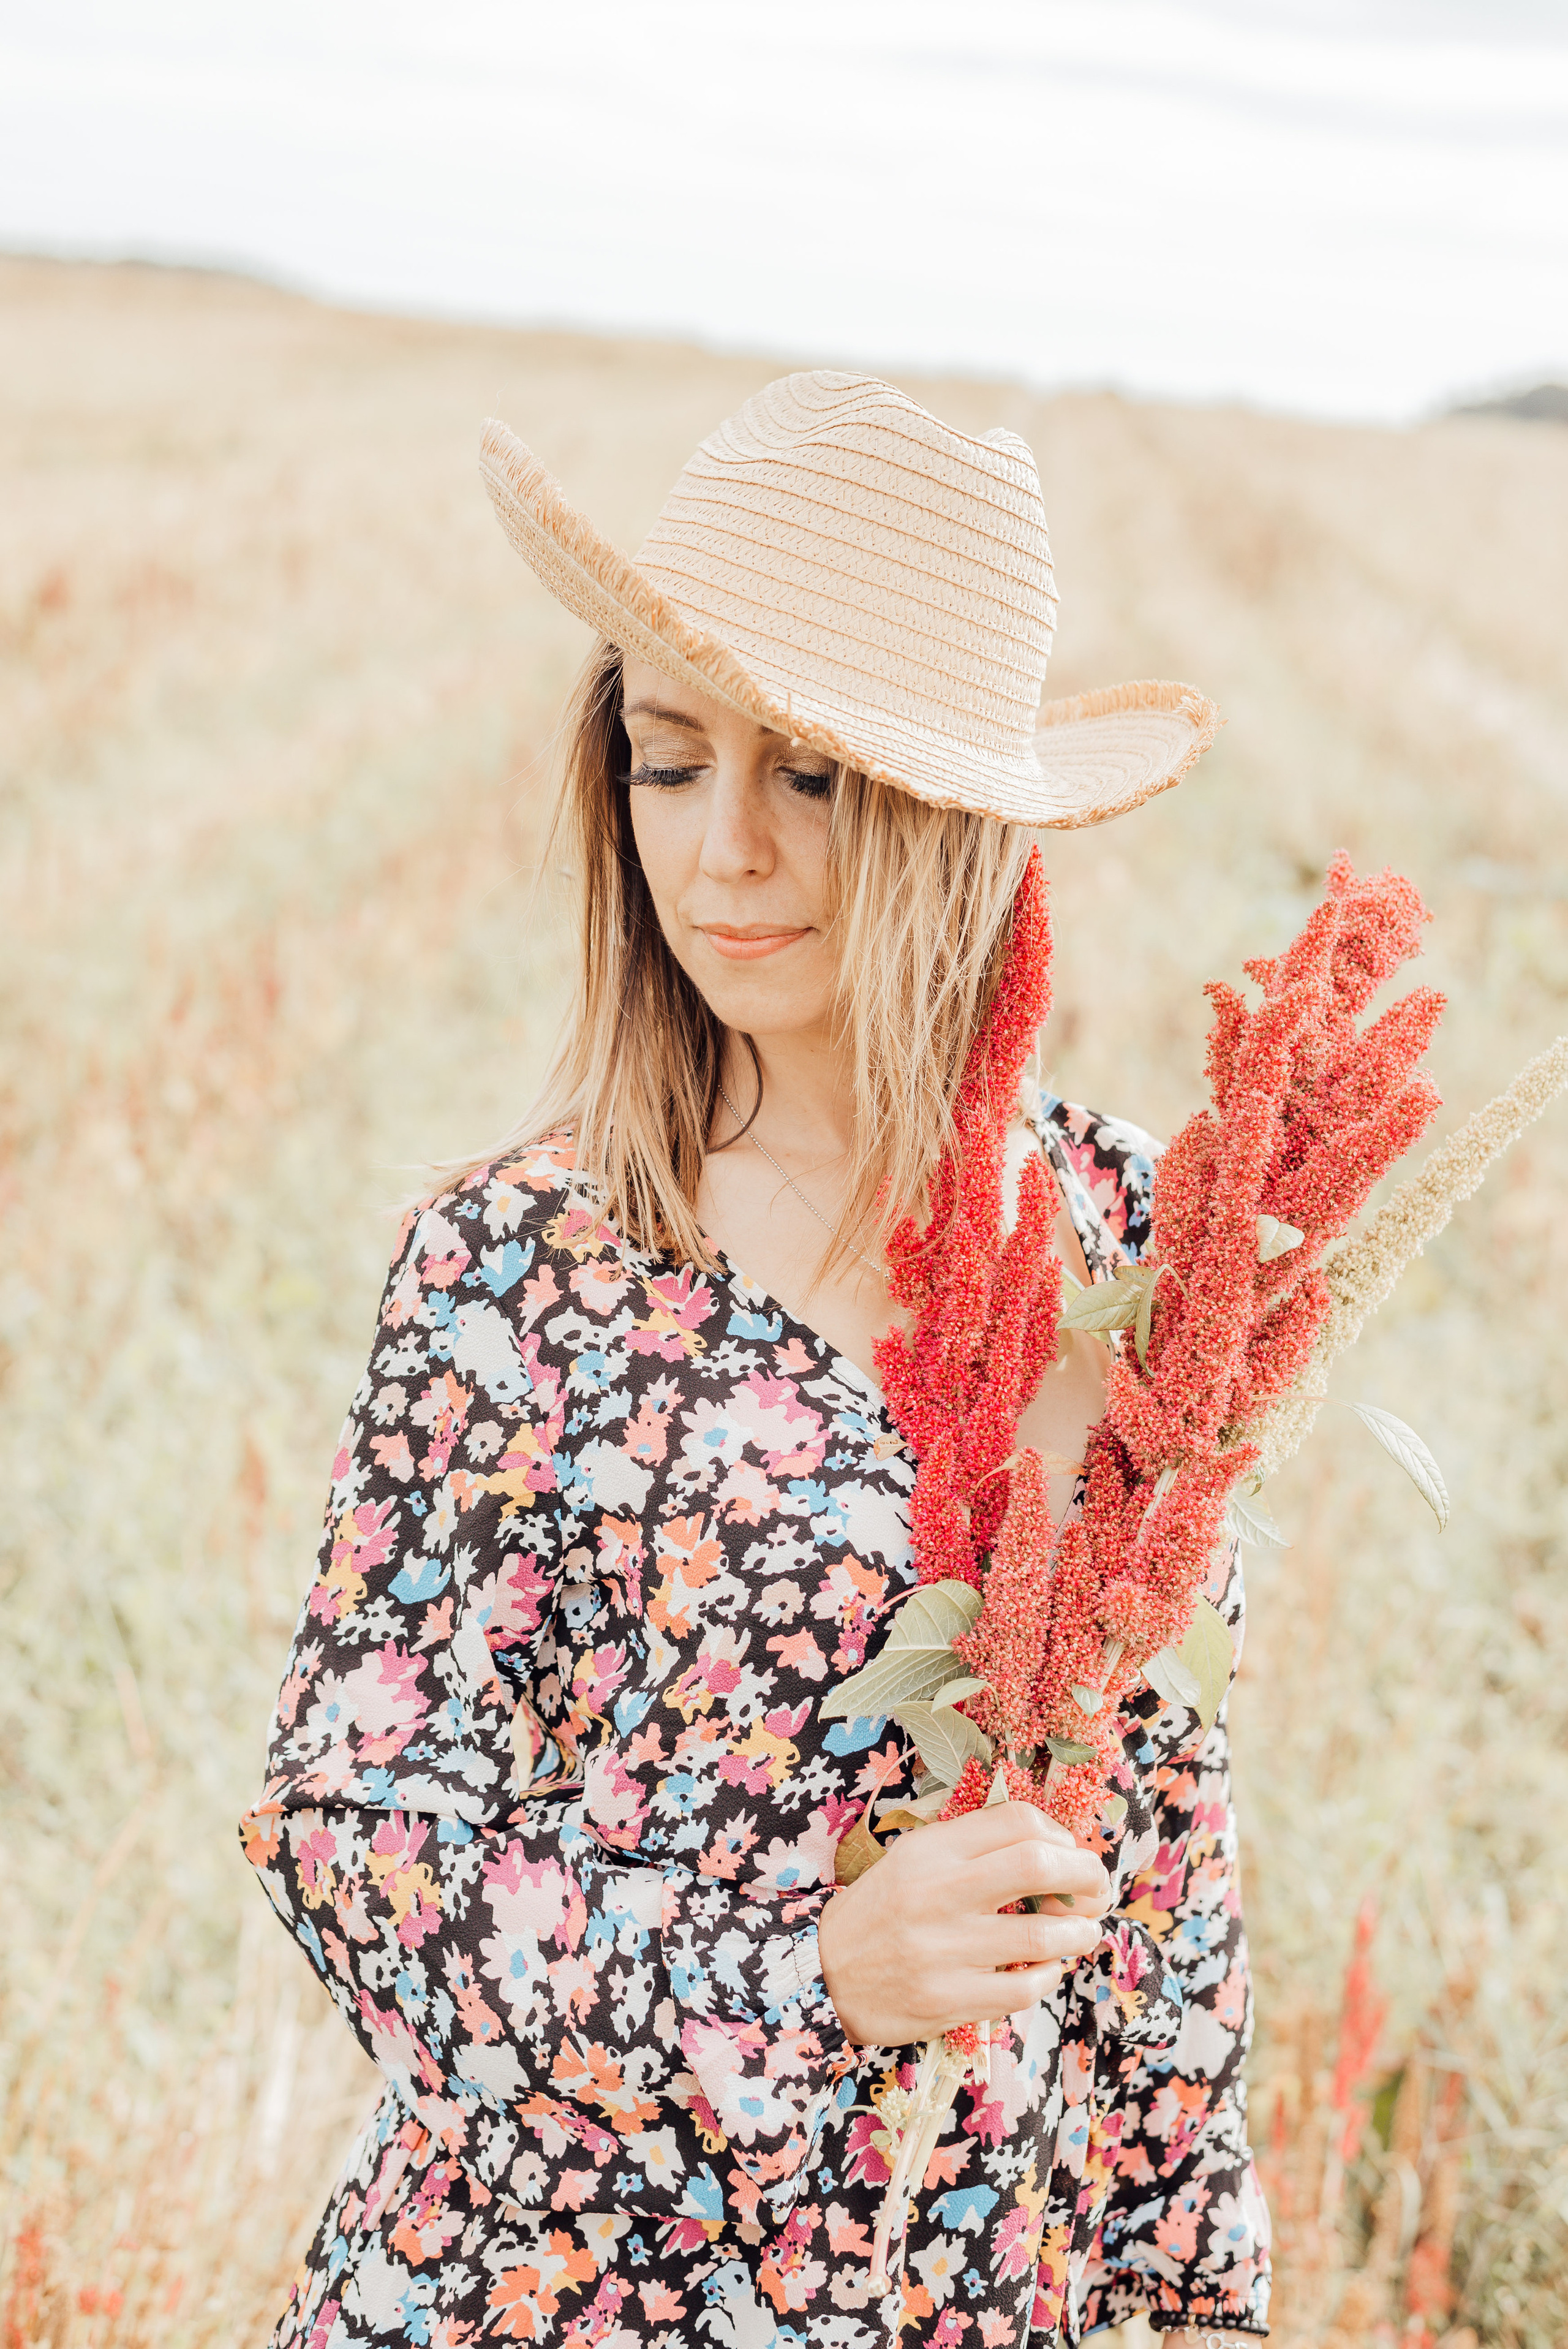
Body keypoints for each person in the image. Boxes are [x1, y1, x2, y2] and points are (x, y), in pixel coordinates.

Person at [242, 372, 1270, 2345]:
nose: (719, 855)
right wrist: (804, 1973)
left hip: (969, 2283)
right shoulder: (518, 1264)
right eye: (666, 759)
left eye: (806, 773)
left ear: (961, 809)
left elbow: (1165, 1842)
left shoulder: (1149, 1244)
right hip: (555, 2283)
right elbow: (350, 1841)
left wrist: (1190, 2290)